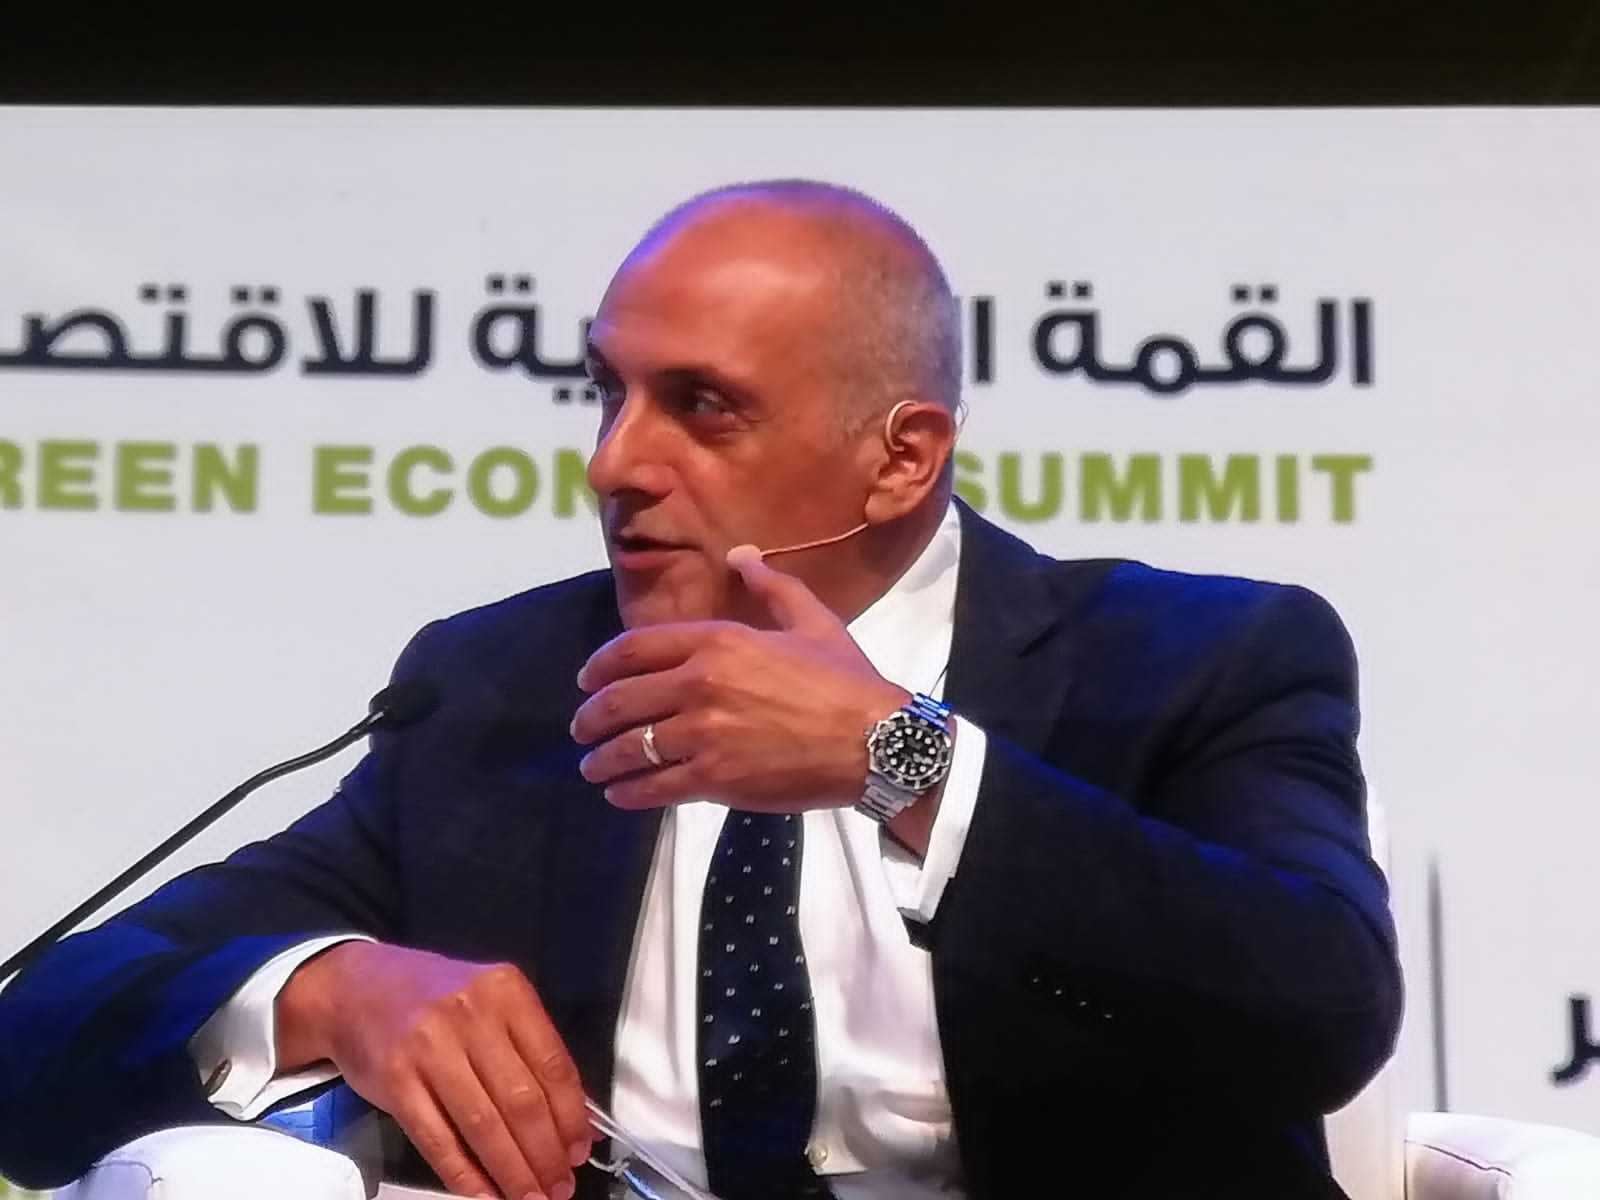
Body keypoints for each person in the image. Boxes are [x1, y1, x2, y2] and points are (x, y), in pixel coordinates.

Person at [0, 180, 1400, 1200]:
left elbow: (1318, 1007)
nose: (614, 463)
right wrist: (330, 989)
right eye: (605, 393)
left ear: (902, 459)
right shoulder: (500, 690)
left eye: (701, 405)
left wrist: (901, 759)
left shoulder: (1191, 660)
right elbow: (31, 1042)